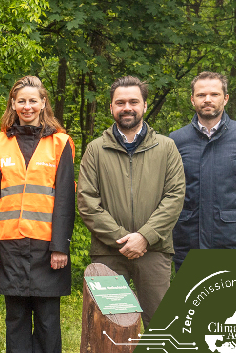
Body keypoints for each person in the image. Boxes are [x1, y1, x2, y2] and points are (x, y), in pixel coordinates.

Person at [0, 76, 75, 353]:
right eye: (21, 101)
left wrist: (61, 247)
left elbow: (65, 200)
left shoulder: (61, 143)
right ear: (13, 105)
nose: (27, 107)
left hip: (47, 247)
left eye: (33, 101)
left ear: (43, 103)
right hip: (8, 245)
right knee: (17, 318)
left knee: (48, 320)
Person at [78, 76, 185, 329]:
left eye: (134, 101)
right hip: (108, 252)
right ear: (111, 108)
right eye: (120, 102)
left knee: (161, 325)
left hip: (154, 251)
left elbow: (175, 196)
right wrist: (123, 238)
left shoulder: (166, 148)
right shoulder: (95, 150)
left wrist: (144, 237)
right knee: (107, 326)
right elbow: (86, 200)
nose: (127, 107)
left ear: (145, 105)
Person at [168, 71, 236, 271]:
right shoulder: (176, 140)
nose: (207, 99)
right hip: (189, 242)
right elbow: (170, 189)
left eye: (214, 94)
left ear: (225, 98)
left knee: (234, 302)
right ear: (192, 100)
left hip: (235, 242)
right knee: (194, 301)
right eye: (201, 95)